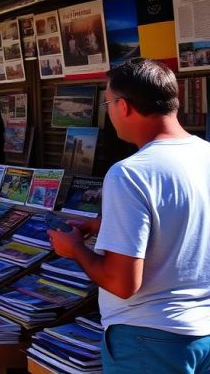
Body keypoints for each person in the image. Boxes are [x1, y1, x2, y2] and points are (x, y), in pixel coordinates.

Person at [48, 58, 210, 374]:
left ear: (123, 106)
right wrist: (107, 225)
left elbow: (122, 283)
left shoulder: (130, 174)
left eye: (108, 102)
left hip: (147, 339)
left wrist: (75, 250)